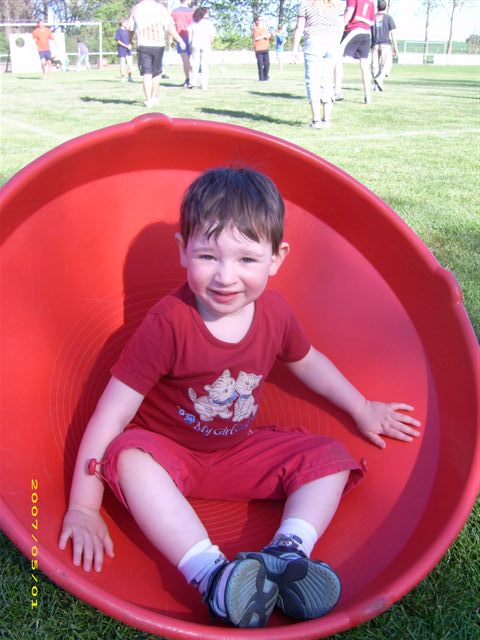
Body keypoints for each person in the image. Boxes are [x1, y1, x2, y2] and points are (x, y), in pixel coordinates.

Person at [58, 167, 421, 629]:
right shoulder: (169, 324)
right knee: (127, 457)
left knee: (331, 459)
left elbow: (309, 363)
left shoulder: (276, 315)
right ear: (183, 251)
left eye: (247, 259)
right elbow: (111, 415)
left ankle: (285, 557)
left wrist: (362, 407)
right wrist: (83, 507)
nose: (225, 277)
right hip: (169, 455)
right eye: (208, 256)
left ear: (276, 258)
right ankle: (213, 576)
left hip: (237, 452)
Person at [293, 0, 344, 129]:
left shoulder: (305, 3)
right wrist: (337, 42)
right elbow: (341, 26)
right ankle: (326, 120)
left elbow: (299, 27)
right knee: (327, 81)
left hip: (314, 40)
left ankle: (316, 120)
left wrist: (295, 49)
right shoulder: (337, 4)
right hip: (332, 42)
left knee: (312, 81)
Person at [128, 0, 186, 108]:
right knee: (157, 73)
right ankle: (153, 96)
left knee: (146, 74)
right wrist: (180, 40)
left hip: (143, 44)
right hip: (158, 44)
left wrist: (129, 40)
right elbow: (169, 27)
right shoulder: (161, 8)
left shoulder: (136, 8)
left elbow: (130, 28)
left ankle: (148, 100)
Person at [337, 0, 376, 104]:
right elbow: (372, 21)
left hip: (354, 29)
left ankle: (337, 91)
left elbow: (350, 11)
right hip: (366, 32)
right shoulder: (371, 2)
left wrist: (341, 27)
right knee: (364, 64)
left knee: (337, 58)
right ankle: (368, 95)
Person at [371, 0, 398, 91]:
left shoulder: (372, 17)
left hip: (374, 45)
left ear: (377, 7)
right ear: (385, 7)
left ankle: (377, 86)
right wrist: (395, 48)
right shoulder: (388, 18)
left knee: (375, 66)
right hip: (385, 44)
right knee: (387, 64)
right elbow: (393, 34)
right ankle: (379, 79)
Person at [188, 7, 216, 90]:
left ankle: (193, 82)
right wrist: (211, 42)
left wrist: (190, 44)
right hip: (205, 44)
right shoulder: (208, 23)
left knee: (195, 64)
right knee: (204, 65)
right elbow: (212, 35)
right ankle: (204, 85)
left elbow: (190, 34)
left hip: (195, 43)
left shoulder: (194, 22)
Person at [171, 0, 194, 87]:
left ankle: (188, 79)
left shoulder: (175, 11)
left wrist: (171, 39)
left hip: (180, 37)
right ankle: (191, 79)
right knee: (189, 59)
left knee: (185, 59)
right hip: (191, 36)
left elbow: (171, 26)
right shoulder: (193, 12)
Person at [253, 16, 272, 81]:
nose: (261, 21)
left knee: (267, 64)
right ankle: (261, 78)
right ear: (256, 21)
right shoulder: (256, 29)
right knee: (260, 64)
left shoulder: (265, 29)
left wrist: (270, 35)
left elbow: (268, 36)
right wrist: (264, 36)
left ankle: (266, 76)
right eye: (260, 20)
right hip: (259, 49)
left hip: (265, 48)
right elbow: (256, 38)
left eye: (262, 20)